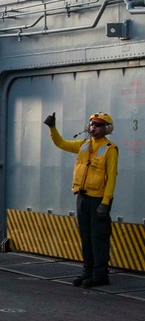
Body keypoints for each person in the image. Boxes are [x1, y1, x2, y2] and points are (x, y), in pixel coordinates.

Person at [44, 111, 119, 287]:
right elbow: (60, 143)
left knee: (98, 237)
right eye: (92, 123)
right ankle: (88, 272)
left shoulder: (110, 149)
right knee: (85, 237)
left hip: (98, 200)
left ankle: (100, 274)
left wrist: (105, 203)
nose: (94, 127)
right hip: (82, 198)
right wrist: (52, 127)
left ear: (106, 128)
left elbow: (111, 178)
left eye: (99, 124)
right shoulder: (84, 145)